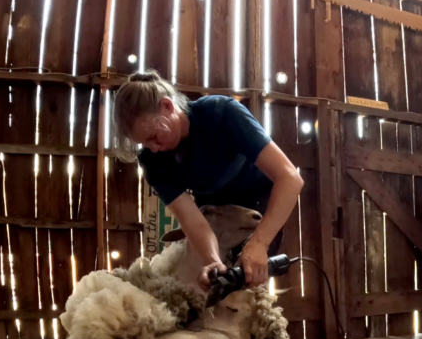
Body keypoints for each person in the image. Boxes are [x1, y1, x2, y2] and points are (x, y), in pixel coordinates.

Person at [112, 70, 304, 290]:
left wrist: (260, 242)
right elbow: (191, 219)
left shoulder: (222, 114)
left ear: (167, 106)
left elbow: (290, 178)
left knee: (245, 281)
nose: (154, 148)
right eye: (146, 144)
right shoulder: (152, 160)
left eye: (154, 136)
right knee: (209, 281)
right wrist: (211, 259)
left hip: (257, 199)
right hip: (211, 205)